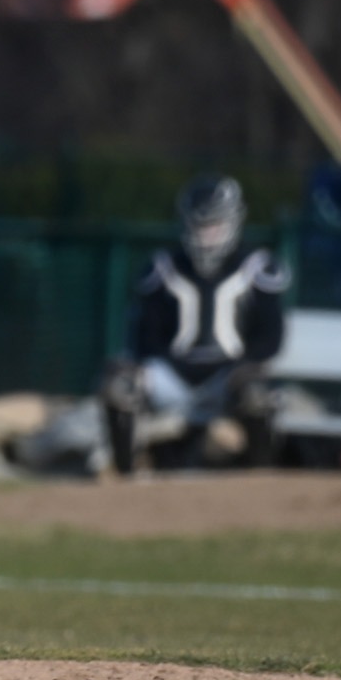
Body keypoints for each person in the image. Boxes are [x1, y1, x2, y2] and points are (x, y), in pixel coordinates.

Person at [99, 175, 290, 474]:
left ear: (233, 222)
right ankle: (125, 472)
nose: (207, 236)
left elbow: (271, 337)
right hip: (173, 377)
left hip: (228, 378)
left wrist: (244, 369)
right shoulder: (163, 267)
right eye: (201, 228)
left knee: (258, 392)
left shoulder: (257, 267)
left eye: (214, 227)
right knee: (119, 385)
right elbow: (144, 338)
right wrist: (150, 367)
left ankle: (259, 474)